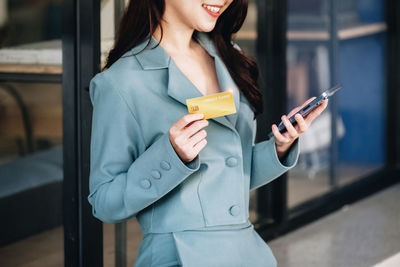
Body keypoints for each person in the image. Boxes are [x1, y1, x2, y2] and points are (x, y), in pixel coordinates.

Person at [88, 0, 328, 266]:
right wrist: (171, 157)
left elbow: (229, 173)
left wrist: (280, 147)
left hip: (246, 252)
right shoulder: (121, 83)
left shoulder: (228, 57)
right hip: (178, 257)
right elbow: (104, 202)